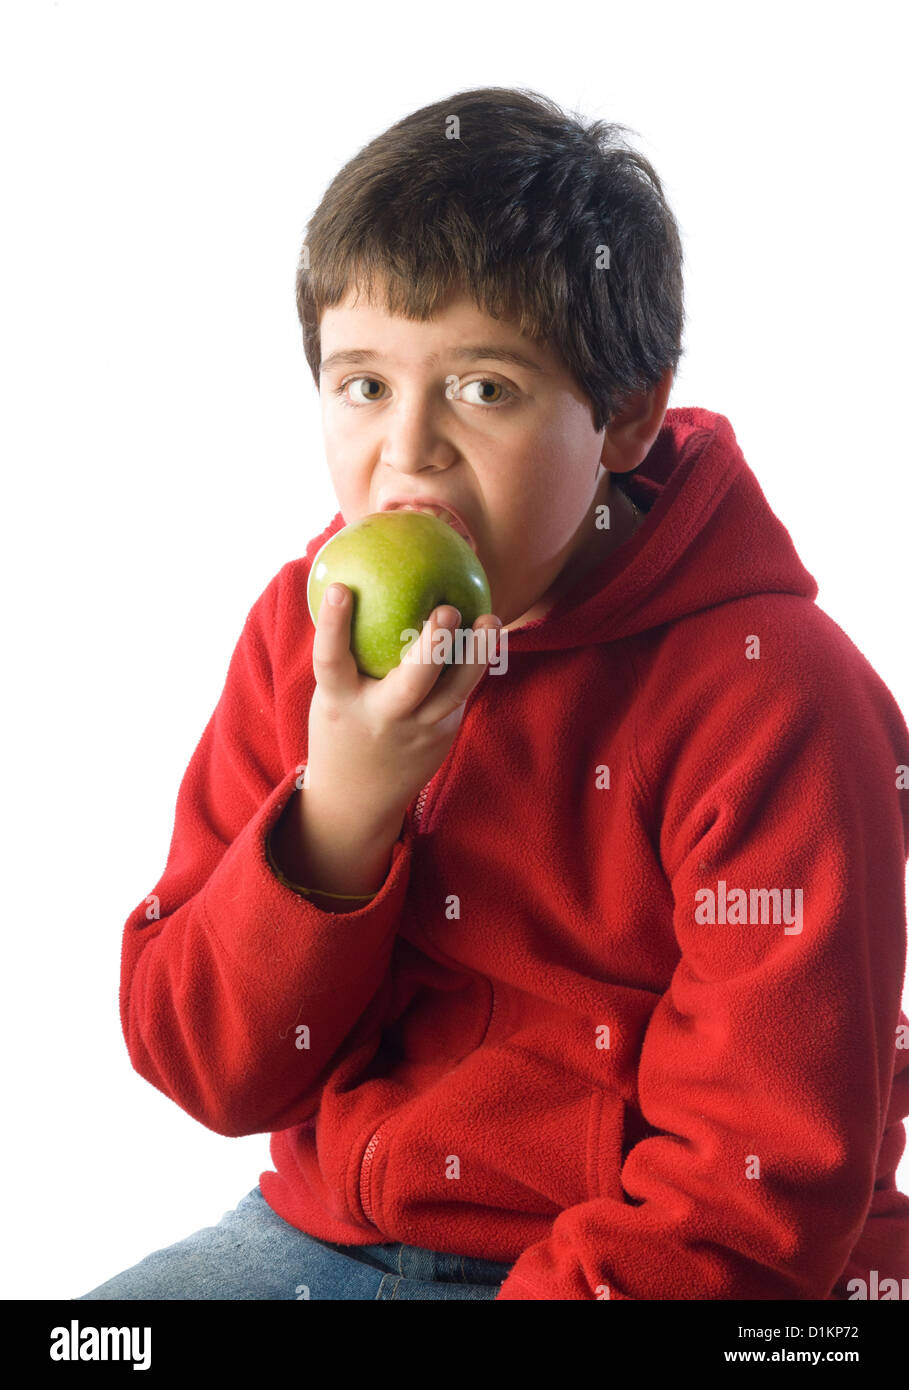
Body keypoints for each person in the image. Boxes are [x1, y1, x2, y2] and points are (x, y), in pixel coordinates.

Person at [77, 86, 909, 1301]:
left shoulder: (779, 698)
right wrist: (338, 821)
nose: (407, 450)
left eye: (483, 389)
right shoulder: (311, 629)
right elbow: (207, 1067)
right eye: (364, 384)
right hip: (327, 1241)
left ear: (626, 412)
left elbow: (755, 1188)